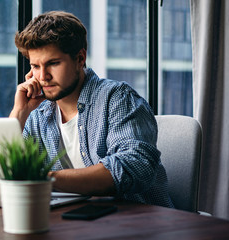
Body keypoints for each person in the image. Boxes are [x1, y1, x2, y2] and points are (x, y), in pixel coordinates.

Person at [9, 11, 173, 207]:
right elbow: (8, 172)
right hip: (73, 223)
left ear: (80, 59)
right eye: (35, 66)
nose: (43, 76)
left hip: (137, 222)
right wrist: (19, 114)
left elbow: (133, 166)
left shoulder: (117, 98)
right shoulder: (38, 117)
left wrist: (48, 179)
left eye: (53, 63)